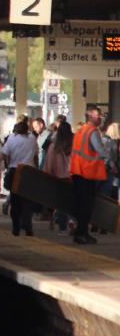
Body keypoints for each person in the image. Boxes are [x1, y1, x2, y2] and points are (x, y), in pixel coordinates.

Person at [69, 103, 116, 245]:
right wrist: (112, 163)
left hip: (77, 171)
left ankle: (80, 233)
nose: (100, 117)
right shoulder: (92, 132)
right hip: (87, 173)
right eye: (98, 115)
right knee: (87, 206)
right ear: (90, 116)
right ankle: (82, 234)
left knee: (80, 205)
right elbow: (100, 151)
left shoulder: (80, 130)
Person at [1, 120, 38, 237]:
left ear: (16, 130)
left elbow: (4, 154)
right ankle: (28, 227)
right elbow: (36, 155)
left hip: (15, 171)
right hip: (29, 172)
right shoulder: (32, 138)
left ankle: (15, 228)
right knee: (27, 201)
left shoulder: (12, 138)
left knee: (15, 202)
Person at [43, 119, 73, 233]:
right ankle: (69, 221)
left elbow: (49, 164)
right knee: (69, 201)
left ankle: (59, 225)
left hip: (57, 178)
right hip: (72, 177)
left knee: (58, 202)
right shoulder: (75, 145)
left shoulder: (53, 147)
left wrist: (47, 175)